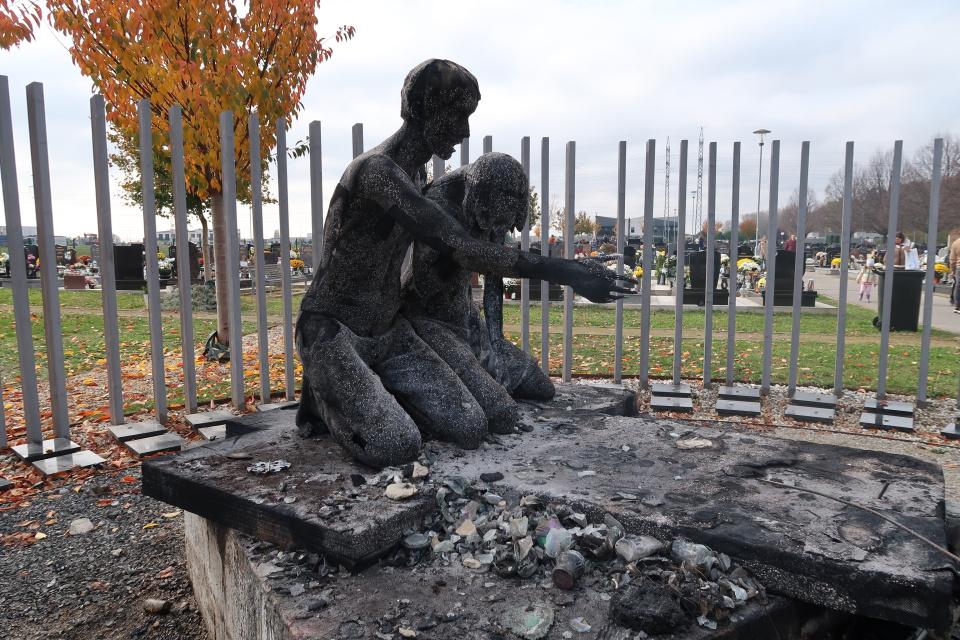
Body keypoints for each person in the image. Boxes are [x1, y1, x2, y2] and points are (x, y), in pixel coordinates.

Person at [294, 59, 632, 469]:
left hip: (389, 333)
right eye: (456, 115)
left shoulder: (418, 175)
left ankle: (366, 391)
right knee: (396, 446)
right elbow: (463, 248)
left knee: (471, 426)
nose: (465, 131)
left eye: (468, 116)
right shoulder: (376, 173)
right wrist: (569, 272)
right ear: (420, 109)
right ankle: (322, 395)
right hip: (332, 329)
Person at [402, 152, 555, 437]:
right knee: (498, 413)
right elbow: (424, 286)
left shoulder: (496, 200)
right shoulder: (438, 204)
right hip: (428, 322)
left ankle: (480, 380)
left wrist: (495, 341)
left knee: (541, 387)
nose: (492, 229)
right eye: (489, 220)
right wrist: (464, 250)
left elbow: (493, 282)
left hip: (467, 319)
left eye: (500, 223)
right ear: (477, 198)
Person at [950, 234, 960, 313]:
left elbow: (952, 259)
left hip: (959, 267)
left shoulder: (956, 243)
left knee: (958, 285)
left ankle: (957, 305)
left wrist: (952, 270)